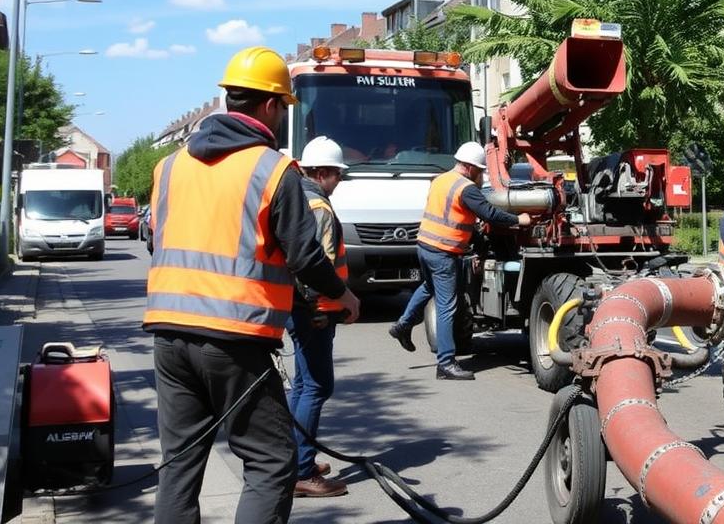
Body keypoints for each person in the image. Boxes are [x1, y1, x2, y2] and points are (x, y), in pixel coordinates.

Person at [144, 46, 361, 524]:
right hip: (233, 337)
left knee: (179, 464)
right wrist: (341, 296)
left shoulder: (169, 167)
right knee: (271, 460)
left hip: (168, 333)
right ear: (269, 106)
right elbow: (305, 256)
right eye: (284, 106)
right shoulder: (271, 169)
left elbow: (159, 241)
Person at [388, 142, 531, 380]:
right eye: (480, 170)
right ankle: (445, 364)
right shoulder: (466, 188)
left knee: (428, 287)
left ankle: (403, 325)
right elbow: (490, 214)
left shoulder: (441, 180)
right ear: (469, 167)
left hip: (424, 245)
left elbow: (451, 214)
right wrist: (521, 219)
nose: (482, 175)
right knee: (447, 306)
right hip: (443, 251)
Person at [287, 136, 352, 498]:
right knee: (317, 386)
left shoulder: (298, 196)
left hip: (296, 307)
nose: (339, 181)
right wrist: (327, 306)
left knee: (302, 385)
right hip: (314, 309)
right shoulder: (321, 209)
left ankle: (298, 458)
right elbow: (316, 266)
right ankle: (302, 471)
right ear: (323, 172)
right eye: (338, 175)